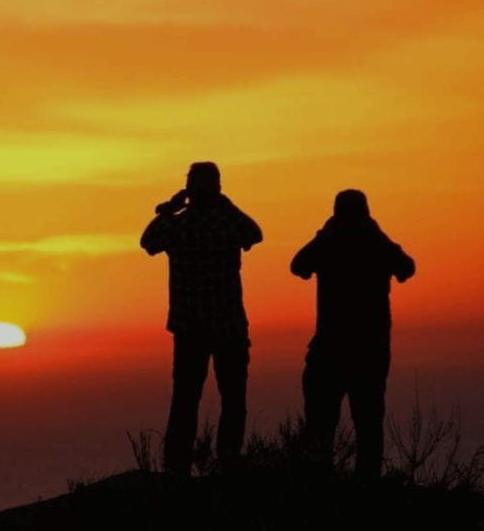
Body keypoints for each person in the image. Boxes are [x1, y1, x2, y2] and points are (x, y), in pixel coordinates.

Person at [141, 162, 263, 475]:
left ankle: (176, 467)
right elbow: (255, 234)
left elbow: (148, 242)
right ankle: (229, 462)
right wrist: (225, 203)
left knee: (185, 400)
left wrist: (169, 209)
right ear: (218, 187)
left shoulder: (178, 225)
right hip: (228, 325)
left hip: (189, 327)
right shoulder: (227, 220)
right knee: (233, 399)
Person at [291, 189, 415, 481]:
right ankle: (365, 485)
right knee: (368, 423)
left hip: (332, 349)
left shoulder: (330, 243)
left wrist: (325, 233)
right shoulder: (375, 244)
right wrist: (377, 233)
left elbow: (299, 266)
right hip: (368, 351)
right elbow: (406, 268)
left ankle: (320, 483)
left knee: (323, 422)